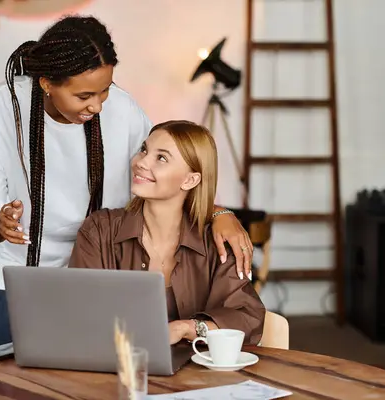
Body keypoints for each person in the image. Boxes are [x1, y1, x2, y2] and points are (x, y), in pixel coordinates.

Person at [0, 15, 255, 346]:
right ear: (47, 83)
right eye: (84, 95)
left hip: (106, 269)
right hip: (26, 277)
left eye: (105, 90)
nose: (97, 105)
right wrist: (2, 222)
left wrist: (219, 212)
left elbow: (164, 176)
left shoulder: (121, 109)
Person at [68, 120, 266, 345]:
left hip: (199, 375)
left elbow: (248, 317)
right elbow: (80, 312)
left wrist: (186, 328)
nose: (141, 162)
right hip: (118, 369)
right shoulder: (99, 230)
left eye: (161, 158)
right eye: (144, 150)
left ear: (190, 180)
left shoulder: (217, 240)